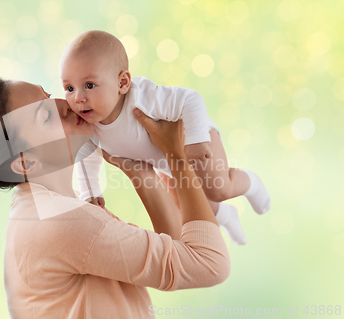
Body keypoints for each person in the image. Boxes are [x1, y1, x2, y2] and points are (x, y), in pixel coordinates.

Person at [0, 76, 230, 319]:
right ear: (24, 163)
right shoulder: (61, 222)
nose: (65, 104)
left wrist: (139, 171)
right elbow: (209, 263)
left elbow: (173, 260)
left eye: (48, 94)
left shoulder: (45, 212)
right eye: (45, 115)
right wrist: (175, 154)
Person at [59, 30, 272, 245]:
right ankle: (226, 215)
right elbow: (86, 156)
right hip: (166, 162)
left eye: (89, 85)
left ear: (122, 83)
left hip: (195, 137)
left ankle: (252, 183)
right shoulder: (88, 125)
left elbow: (190, 99)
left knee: (217, 188)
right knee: (184, 203)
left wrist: (196, 140)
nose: (78, 98)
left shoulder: (142, 97)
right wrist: (90, 192)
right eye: (69, 88)